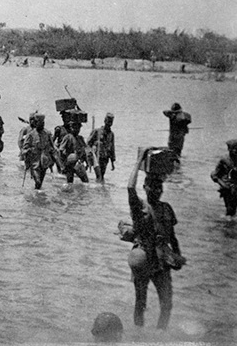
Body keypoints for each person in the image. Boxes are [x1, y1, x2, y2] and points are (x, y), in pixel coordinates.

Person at [126, 150, 185, 329]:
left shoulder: (167, 208)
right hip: (144, 258)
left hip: (161, 262)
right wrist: (139, 160)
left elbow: (173, 237)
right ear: (145, 187)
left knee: (166, 304)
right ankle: (138, 337)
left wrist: (177, 256)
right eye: (152, 186)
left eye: (159, 187)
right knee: (141, 303)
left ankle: (160, 337)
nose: (157, 190)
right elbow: (130, 187)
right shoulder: (139, 207)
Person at [22, 113, 61, 190]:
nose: (42, 125)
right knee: (38, 181)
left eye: (43, 123)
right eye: (40, 123)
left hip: (44, 162)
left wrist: (56, 160)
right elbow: (24, 149)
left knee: (39, 185)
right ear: (36, 123)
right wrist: (28, 151)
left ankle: (37, 198)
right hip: (34, 163)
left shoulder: (47, 133)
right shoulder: (30, 135)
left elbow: (52, 147)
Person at [211, 139, 237, 217]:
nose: (234, 150)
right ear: (228, 149)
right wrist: (222, 184)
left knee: (233, 210)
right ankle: (228, 226)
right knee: (230, 210)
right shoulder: (224, 160)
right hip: (227, 188)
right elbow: (214, 174)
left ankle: (229, 226)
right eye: (232, 148)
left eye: (236, 148)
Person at [87, 113, 116, 183]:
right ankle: (99, 189)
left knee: (102, 175)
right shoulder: (97, 131)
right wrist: (90, 154)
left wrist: (112, 162)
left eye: (111, 122)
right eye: (108, 121)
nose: (109, 123)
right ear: (104, 121)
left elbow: (112, 148)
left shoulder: (111, 134)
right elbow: (88, 143)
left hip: (105, 158)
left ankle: (100, 189)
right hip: (97, 157)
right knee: (99, 175)